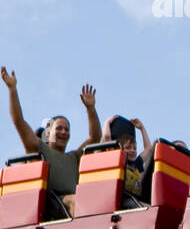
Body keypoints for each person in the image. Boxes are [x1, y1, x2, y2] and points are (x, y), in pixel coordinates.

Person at [2, 67, 101, 215]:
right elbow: (19, 122)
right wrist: (12, 90)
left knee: (94, 197)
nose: (63, 132)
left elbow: (95, 138)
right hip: (54, 204)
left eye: (67, 130)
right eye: (59, 129)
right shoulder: (38, 148)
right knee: (76, 201)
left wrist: (91, 109)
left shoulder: (73, 157)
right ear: (48, 134)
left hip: (75, 202)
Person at [106, 115, 154, 201]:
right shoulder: (117, 160)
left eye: (134, 148)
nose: (132, 150)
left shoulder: (137, 164)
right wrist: (108, 122)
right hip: (124, 199)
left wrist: (142, 128)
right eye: (128, 148)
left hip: (137, 200)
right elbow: (107, 138)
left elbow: (149, 149)